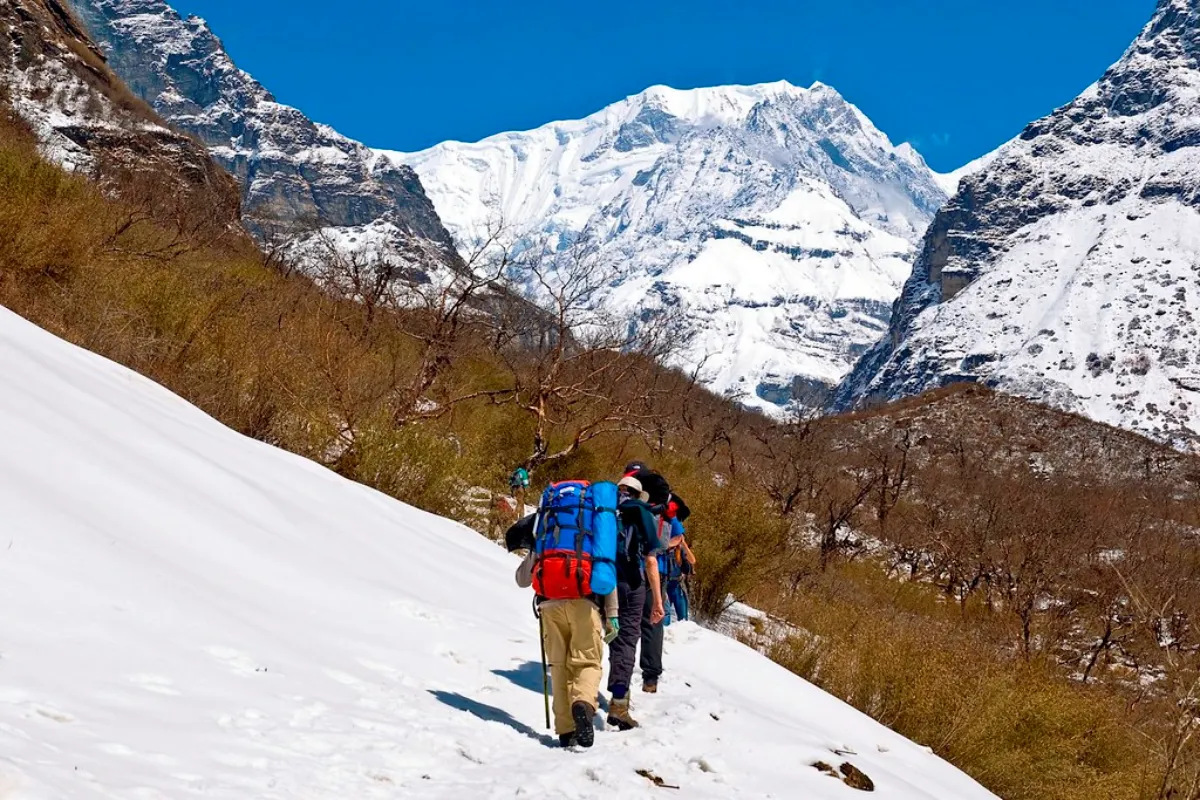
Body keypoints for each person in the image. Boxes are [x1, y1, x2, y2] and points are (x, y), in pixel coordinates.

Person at [510, 514, 618, 748]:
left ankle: (566, 731)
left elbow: (521, 580)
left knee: (558, 666)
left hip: (549, 605)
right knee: (587, 663)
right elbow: (607, 576)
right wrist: (612, 615)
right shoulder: (593, 533)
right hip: (584, 604)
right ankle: (582, 702)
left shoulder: (546, 535)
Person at [620, 462, 688, 694]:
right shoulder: (663, 506)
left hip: (626, 569)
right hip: (655, 571)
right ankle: (650, 678)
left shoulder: (624, 505)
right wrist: (657, 548)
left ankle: (620, 678)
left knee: (622, 622)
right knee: (652, 622)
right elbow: (678, 537)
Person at [606, 475, 665, 731]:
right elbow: (651, 560)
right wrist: (658, 600)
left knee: (596, 636)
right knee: (626, 641)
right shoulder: (642, 513)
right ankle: (619, 704)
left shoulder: (603, 509)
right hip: (630, 583)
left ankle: (581, 698)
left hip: (598, 580)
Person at [660, 517, 696, 624]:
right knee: (665, 614)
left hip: (676, 584)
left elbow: (692, 560)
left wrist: (683, 543)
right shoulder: (663, 549)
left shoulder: (679, 551)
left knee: (683, 617)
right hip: (665, 584)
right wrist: (670, 543)